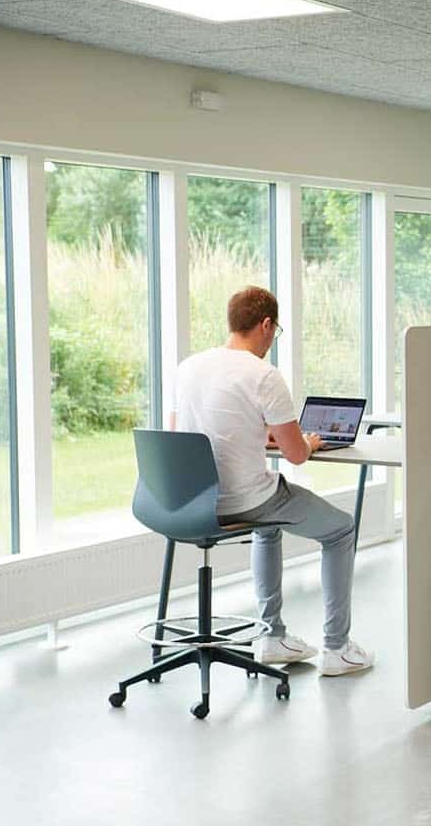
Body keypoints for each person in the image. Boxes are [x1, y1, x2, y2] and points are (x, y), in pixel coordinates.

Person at [169, 286, 373, 675]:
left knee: (267, 530)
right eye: (274, 331)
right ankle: (337, 648)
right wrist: (308, 440)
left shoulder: (189, 367)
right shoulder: (263, 375)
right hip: (244, 501)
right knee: (341, 529)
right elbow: (296, 455)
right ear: (265, 324)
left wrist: (256, 433)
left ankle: (272, 637)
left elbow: (180, 436)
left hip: (189, 502)